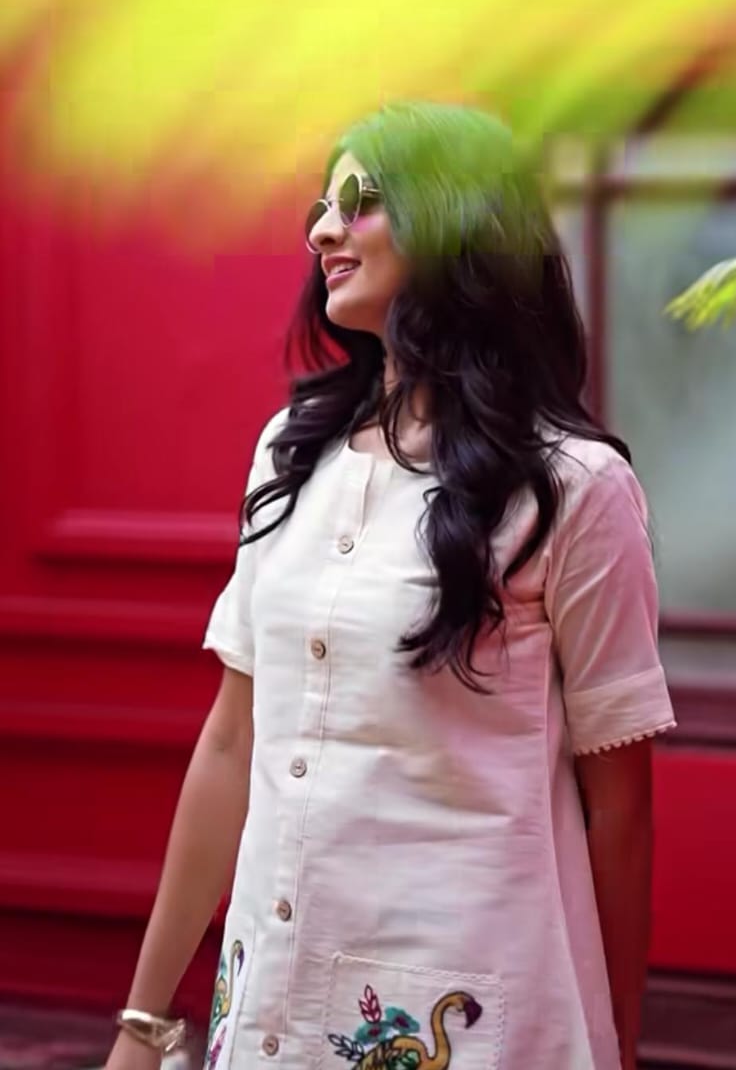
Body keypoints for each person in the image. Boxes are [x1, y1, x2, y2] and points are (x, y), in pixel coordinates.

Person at [105, 101, 675, 1070]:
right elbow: (232, 742)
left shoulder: (573, 487)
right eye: (319, 209)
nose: (323, 231)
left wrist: (617, 1045)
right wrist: (142, 1023)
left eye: (357, 200)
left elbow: (617, 805)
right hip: (272, 1002)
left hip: (473, 1011)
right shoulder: (292, 457)